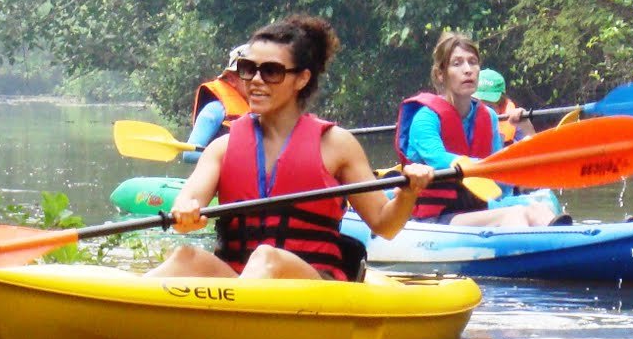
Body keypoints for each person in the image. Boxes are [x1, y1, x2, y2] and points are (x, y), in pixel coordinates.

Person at [147, 15, 432, 281]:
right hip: (240, 282)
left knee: (268, 257)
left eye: (271, 71)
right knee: (186, 256)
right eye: (248, 69)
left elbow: (385, 225)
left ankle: (235, 320)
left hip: (311, 284)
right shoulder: (222, 148)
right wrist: (185, 213)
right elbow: (185, 207)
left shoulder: (336, 144)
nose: (256, 81)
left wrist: (409, 193)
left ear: (302, 78)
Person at [395, 32, 563, 227]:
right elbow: (439, 159)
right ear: (441, 74)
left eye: (473, 62)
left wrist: (519, 167)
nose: (468, 70)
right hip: (435, 219)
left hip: (476, 209)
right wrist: (483, 165)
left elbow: (500, 185)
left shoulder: (488, 117)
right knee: (513, 216)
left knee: (539, 209)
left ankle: (567, 248)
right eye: (457, 64)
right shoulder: (425, 119)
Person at [181, 44, 251, 164]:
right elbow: (189, 154)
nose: (257, 78)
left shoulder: (269, 111)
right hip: (219, 179)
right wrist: (238, 160)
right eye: (249, 72)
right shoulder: (215, 109)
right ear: (232, 78)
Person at [475, 68, 536, 144]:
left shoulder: (515, 124)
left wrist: (526, 125)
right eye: (476, 105)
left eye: (490, 106)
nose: (482, 112)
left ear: (501, 105)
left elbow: (536, 151)